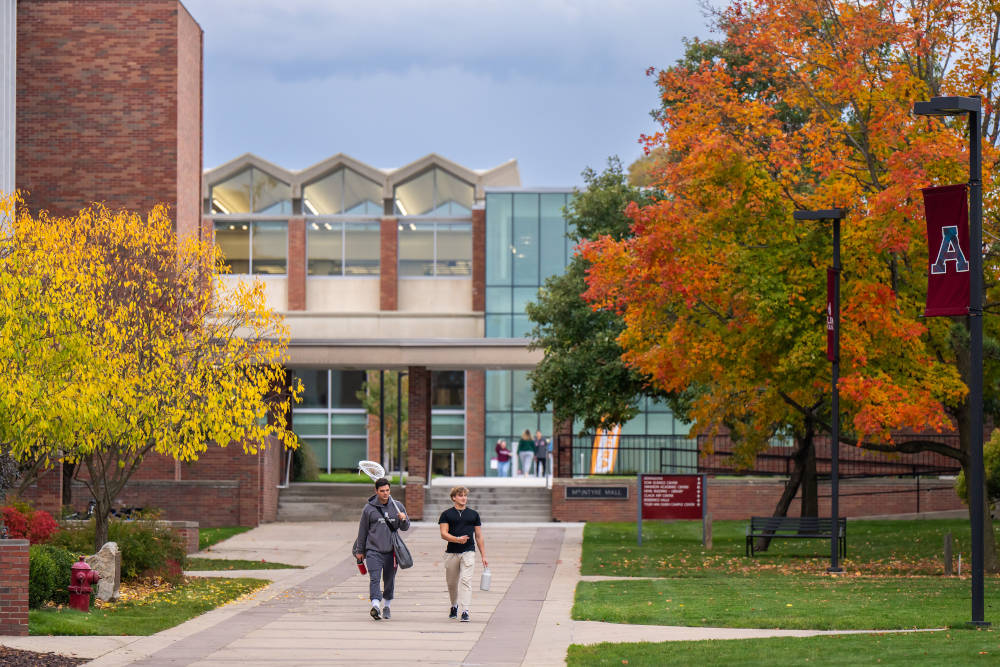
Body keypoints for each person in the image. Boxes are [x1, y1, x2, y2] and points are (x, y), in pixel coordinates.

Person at [353, 477, 409, 620]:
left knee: (389, 580)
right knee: (374, 579)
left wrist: (403, 519)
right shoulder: (369, 508)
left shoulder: (397, 506)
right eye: (382, 491)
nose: (385, 493)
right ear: (376, 491)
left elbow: (405, 527)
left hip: (392, 551)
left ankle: (387, 606)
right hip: (373, 550)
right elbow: (362, 531)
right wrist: (360, 551)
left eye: (387, 490)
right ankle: (376, 605)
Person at [439, 486, 487, 622]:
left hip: (468, 551)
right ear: (454, 498)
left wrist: (483, 555)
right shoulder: (446, 514)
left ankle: (465, 610)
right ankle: (454, 606)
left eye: (465, 495)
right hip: (451, 553)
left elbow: (478, 536)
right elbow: (443, 534)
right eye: (460, 495)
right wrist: (457, 539)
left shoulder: (473, 514)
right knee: (452, 583)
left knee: (466, 581)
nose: (464, 498)